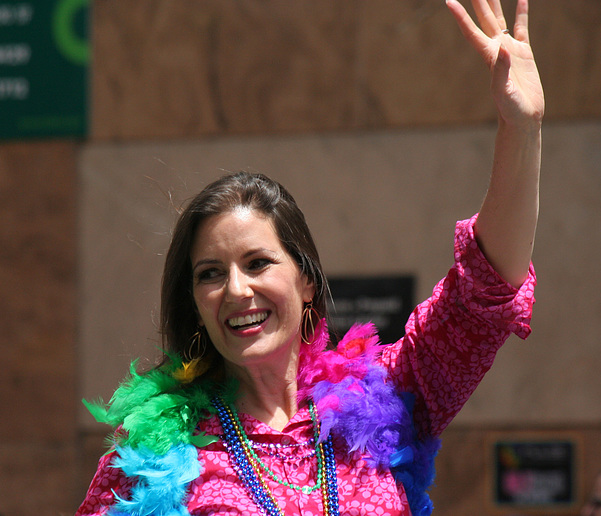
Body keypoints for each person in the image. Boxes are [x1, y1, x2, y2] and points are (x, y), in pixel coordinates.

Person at [76, 0, 544, 514]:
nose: (236, 290)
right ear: (193, 300)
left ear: (306, 282)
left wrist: (520, 131)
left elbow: (485, 292)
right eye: (210, 273)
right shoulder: (155, 451)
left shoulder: (389, 393)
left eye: (258, 263)